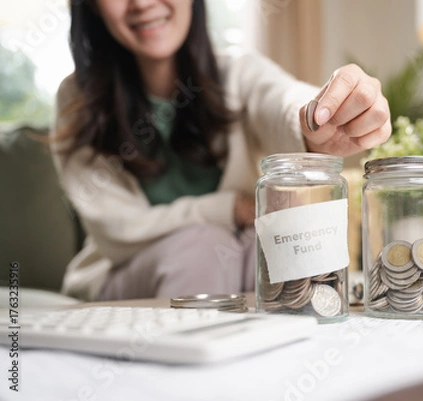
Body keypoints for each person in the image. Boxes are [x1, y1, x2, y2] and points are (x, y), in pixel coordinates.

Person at [52, 0, 391, 301]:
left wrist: (317, 117)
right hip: (121, 272)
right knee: (206, 246)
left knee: (265, 247)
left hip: (231, 259)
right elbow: (120, 231)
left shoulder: (237, 73)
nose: (141, 3)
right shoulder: (79, 101)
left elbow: (282, 100)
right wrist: (228, 209)